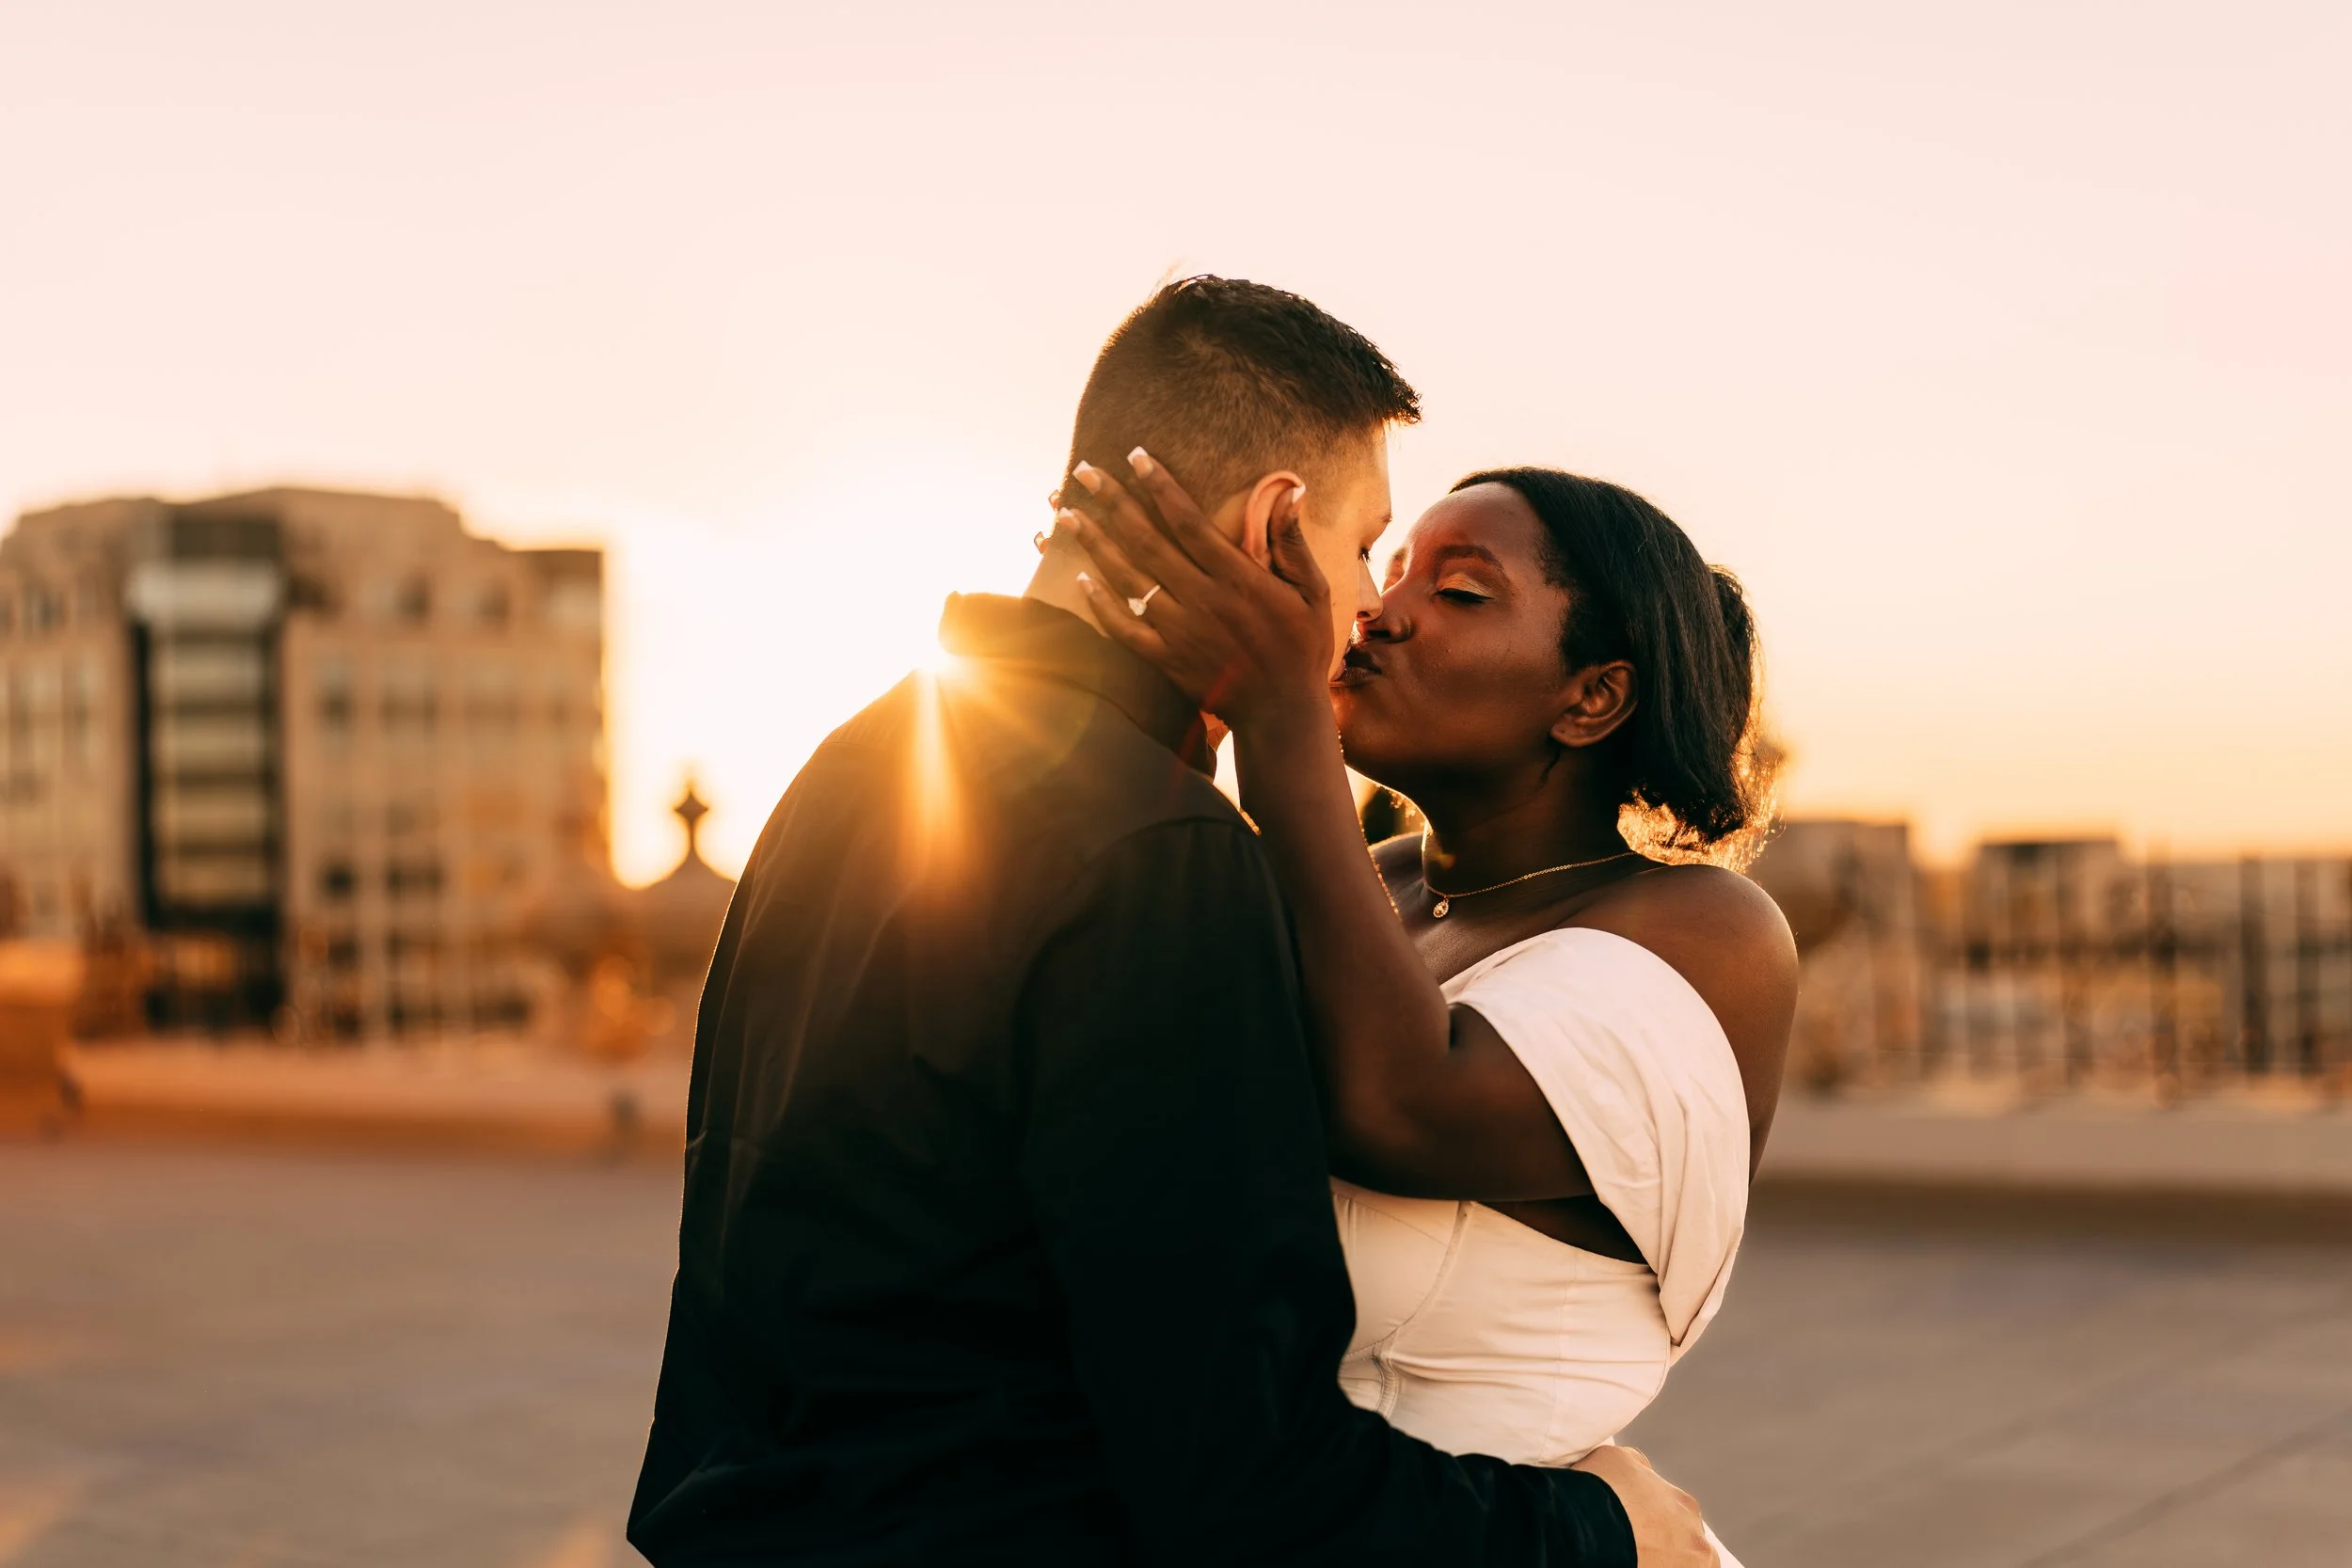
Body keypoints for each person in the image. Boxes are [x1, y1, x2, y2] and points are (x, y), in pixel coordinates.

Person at [628, 276, 1716, 1566]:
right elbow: (1243, 1485)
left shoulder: (847, 767)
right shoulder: (1163, 851)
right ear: (1272, 529)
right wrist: (1600, 1531)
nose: (1370, 606)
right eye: (1366, 544)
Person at [1058, 456, 1798, 1568]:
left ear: (1591, 695)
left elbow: (1400, 1103)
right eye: (1388, 571)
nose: (1374, 613)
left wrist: (1282, 716)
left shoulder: (1706, 927)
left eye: (1456, 592)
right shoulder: (1371, 882)